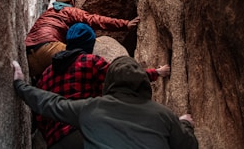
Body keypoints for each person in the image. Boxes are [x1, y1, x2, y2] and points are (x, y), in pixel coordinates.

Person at [13, 56, 198, 149]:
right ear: (142, 82)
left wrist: (21, 85)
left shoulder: (92, 108)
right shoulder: (163, 115)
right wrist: (184, 124)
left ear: (109, 81)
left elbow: (50, 103)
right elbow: (189, 145)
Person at [34, 23, 171, 149]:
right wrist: (156, 73)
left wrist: (51, 136)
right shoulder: (89, 62)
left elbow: (39, 113)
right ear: (89, 44)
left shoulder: (46, 74)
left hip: (55, 142)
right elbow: (124, 77)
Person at [25, 0, 140, 79]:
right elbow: (94, 20)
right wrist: (124, 24)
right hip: (50, 48)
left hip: (30, 55)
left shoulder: (47, 14)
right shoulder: (69, 11)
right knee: (84, 66)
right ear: (72, 1)